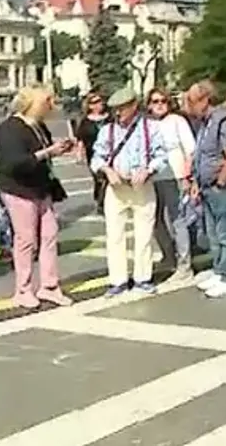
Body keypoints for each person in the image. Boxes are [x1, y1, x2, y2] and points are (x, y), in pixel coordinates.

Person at [0, 86, 74, 309]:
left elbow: (43, 153)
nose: (51, 105)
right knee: (26, 239)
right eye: (47, 101)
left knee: (50, 234)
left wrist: (59, 149)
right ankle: (23, 289)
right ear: (33, 103)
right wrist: (48, 152)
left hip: (40, 186)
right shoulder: (11, 128)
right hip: (18, 188)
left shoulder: (38, 126)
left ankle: (49, 286)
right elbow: (14, 163)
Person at [90, 87, 168, 297]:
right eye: (115, 109)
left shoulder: (150, 128)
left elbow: (161, 156)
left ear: (134, 106)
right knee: (114, 235)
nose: (118, 113)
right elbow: (97, 157)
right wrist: (107, 170)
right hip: (117, 188)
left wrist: (148, 170)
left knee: (144, 234)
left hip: (141, 187)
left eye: (122, 109)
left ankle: (143, 277)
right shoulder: (108, 130)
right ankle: (118, 280)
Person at [188, 80, 226, 298]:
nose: (188, 105)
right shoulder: (206, 122)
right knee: (213, 233)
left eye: (191, 101)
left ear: (205, 100)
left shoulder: (225, 121)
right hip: (208, 188)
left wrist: (220, 182)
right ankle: (219, 270)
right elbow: (202, 155)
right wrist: (197, 181)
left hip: (225, 188)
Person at [148, 88, 198, 281]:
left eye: (163, 101)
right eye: (155, 101)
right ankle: (168, 255)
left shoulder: (177, 121)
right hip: (152, 177)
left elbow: (190, 149)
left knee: (178, 220)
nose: (159, 104)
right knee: (154, 219)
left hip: (175, 176)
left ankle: (184, 264)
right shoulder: (147, 123)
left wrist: (187, 176)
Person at [73, 92, 110, 215]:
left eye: (100, 101)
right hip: (93, 153)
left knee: (107, 177)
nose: (98, 104)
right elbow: (80, 139)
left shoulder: (109, 118)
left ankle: (105, 202)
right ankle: (99, 199)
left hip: (110, 152)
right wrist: (79, 154)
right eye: (94, 102)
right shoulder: (85, 121)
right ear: (89, 106)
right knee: (98, 178)